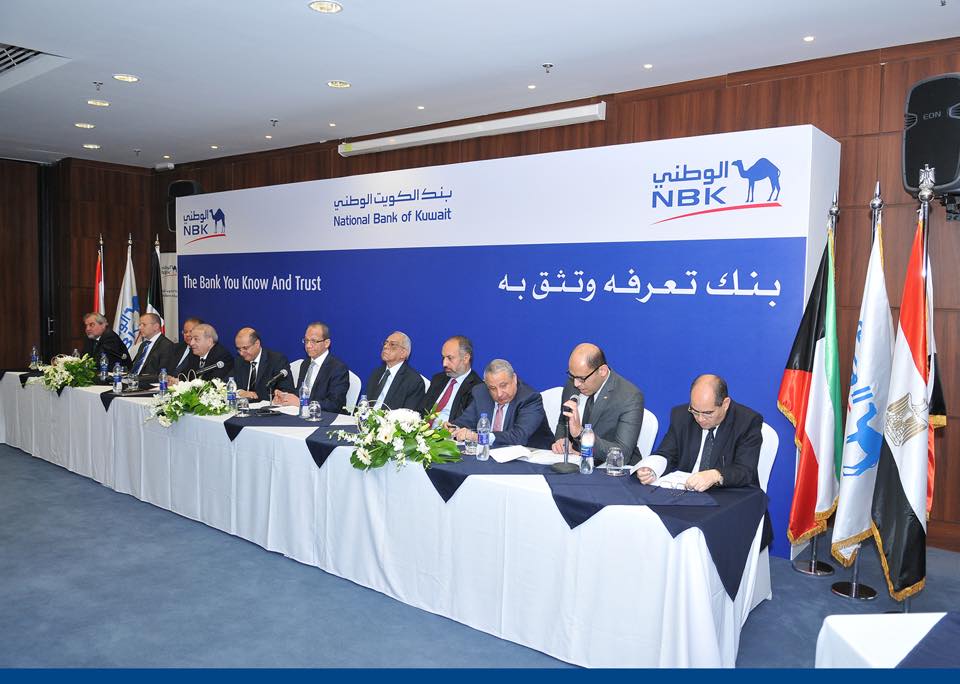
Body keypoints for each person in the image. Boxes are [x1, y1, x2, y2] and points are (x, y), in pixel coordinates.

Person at [635, 374, 762, 491]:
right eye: (695, 411)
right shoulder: (681, 416)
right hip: (686, 492)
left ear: (725, 404)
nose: (700, 419)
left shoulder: (747, 422)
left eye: (708, 413)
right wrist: (652, 468)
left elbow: (745, 471)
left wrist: (715, 475)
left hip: (729, 493)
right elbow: (667, 453)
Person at [551, 343, 644, 465]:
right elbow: (563, 423)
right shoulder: (572, 384)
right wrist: (562, 441)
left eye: (581, 379)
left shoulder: (630, 397)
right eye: (572, 376)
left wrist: (581, 435)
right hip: (575, 463)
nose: (576, 384)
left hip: (611, 468)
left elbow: (622, 454)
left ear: (602, 371)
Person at [451, 359, 553, 449]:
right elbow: (465, 422)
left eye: (503, 385)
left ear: (514, 379)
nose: (499, 394)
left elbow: (518, 437)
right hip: (491, 454)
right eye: (492, 388)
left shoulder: (529, 398)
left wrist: (479, 437)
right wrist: (453, 428)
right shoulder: (481, 393)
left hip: (532, 455)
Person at [274, 322, 350, 413]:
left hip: (325, 417)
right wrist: (285, 397)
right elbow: (301, 393)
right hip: (303, 414)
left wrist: (302, 403)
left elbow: (334, 404)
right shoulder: (305, 364)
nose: (308, 345)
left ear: (326, 343)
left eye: (314, 341)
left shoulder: (338, 368)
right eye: (306, 341)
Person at [418, 335, 482, 425]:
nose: (444, 364)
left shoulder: (477, 388)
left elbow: (466, 423)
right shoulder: (438, 379)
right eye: (443, 357)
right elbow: (421, 410)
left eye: (450, 358)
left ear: (466, 358)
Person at [364, 331, 425, 411]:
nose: (385, 346)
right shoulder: (376, 373)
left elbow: (407, 414)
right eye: (385, 343)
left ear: (403, 353)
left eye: (392, 344)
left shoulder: (414, 381)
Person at [233, 327, 294, 402]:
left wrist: (254, 395)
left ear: (257, 344)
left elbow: (286, 390)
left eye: (245, 348)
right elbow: (228, 383)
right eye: (239, 349)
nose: (241, 353)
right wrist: (239, 392)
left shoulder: (277, 360)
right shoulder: (239, 360)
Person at [128, 313, 175, 377]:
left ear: (156, 327)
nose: (140, 328)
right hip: (133, 379)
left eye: (144, 325)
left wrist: (138, 379)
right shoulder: (144, 345)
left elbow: (162, 374)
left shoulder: (166, 345)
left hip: (147, 381)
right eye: (139, 325)